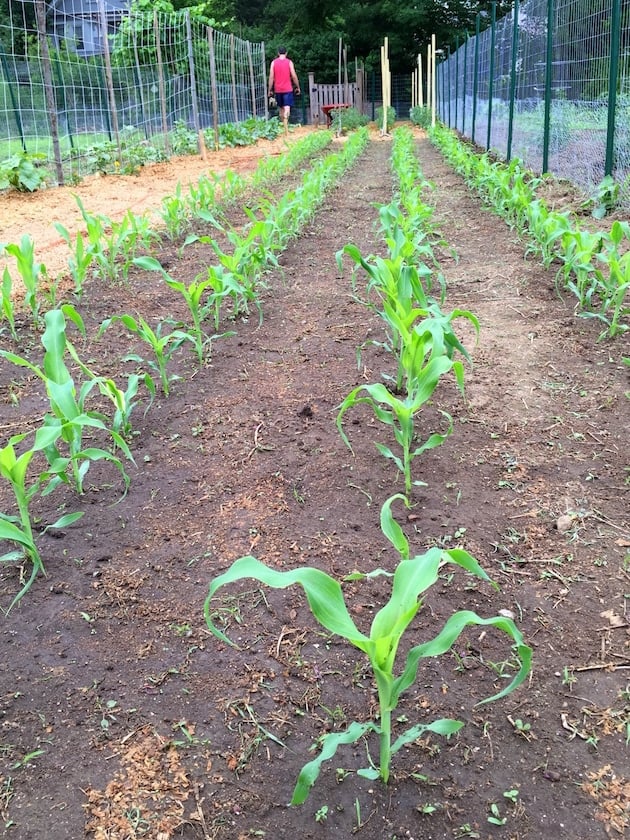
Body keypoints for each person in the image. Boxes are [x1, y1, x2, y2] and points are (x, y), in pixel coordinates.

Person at [268, 47, 300, 135]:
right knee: (287, 107)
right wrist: (297, 86)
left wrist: (270, 89)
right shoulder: (289, 62)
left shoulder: (273, 63)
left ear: (278, 53)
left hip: (278, 89)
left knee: (281, 108)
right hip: (287, 89)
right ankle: (286, 125)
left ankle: (284, 128)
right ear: (286, 53)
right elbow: (293, 75)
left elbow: (271, 77)